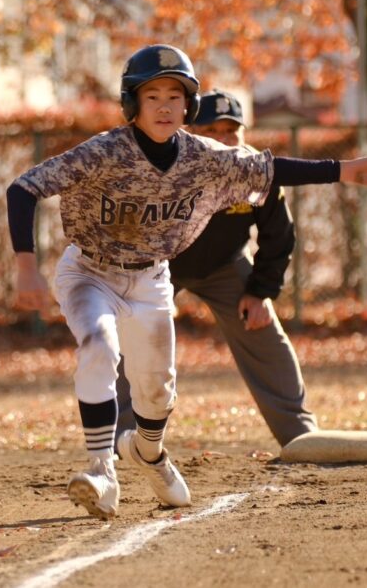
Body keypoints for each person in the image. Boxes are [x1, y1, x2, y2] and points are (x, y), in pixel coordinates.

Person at [7, 44, 367, 520]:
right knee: (99, 344)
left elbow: (271, 170)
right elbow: (24, 188)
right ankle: (100, 469)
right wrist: (26, 264)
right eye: (152, 96)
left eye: (175, 97)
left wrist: (343, 172)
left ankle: (149, 453)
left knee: (157, 389)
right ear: (131, 104)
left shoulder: (205, 157)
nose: (164, 106)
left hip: (152, 276)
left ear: (188, 107)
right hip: (91, 272)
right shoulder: (106, 151)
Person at [114, 89, 317, 449]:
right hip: (160, 263)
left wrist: (260, 292)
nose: (224, 140)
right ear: (191, 133)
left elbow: (279, 236)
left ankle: (300, 435)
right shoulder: (167, 165)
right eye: (213, 131)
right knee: (134, 336)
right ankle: (120, 440)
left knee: (263, 329)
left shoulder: (254, 170)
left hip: (226, 264)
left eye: (231, 131)